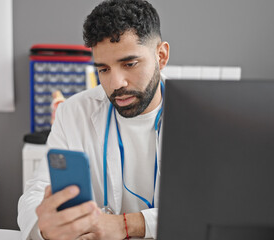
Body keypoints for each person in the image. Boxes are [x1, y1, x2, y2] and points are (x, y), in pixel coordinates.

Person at [18, 0, 169, 239]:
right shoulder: (73, 112)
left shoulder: (198, 116)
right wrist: (44, 227)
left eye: (129, 64)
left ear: (161, 56)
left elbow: (206, 204)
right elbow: (36, 191)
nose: (115, 83)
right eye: (104, 69)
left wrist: (126, 225)